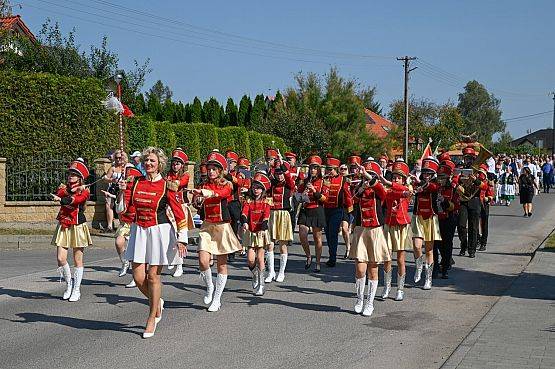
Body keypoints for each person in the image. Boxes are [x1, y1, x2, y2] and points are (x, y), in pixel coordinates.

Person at [116, 147, 188, 338]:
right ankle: (157, 302)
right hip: (139, 231)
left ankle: (151, 317)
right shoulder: (135, 182)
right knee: (139, 277)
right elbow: (125, 211)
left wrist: (182, 238)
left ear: (159, 165)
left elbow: (179, 213)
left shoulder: (167, 185)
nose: (148, 163)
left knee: (152, 277)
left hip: (160, 232)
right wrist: (122, 193)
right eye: (147, 160)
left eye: (152, 161)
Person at [191, 150, 242, 312]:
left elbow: (222, 195)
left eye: (214, 168)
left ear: (220, 170)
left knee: (221, 264)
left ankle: (217, 298)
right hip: (207, 225)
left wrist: (207, 193)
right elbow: (196, 203)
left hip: (222, 226)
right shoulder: (203, 184)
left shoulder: (226, 184)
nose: (211, 171)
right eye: (209, 168)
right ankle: (209, 287)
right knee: (203, 260)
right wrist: (197, 200)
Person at [349, 159, 390, 317]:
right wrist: (360, 188)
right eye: (365, 176)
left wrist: (368, 177)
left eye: (370, 176)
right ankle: (359, 299)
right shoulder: (358, 189)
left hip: (375, 231)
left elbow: (381, 190)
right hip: (361, 230)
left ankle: (370, 303)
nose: (367, 179)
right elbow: (352, 201)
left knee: (373, 270)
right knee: (360, 268)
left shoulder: (379, 189)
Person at [51, 159, 92, 302]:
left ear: (80, 177)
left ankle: (77, 289)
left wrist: (70, 195)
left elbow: (76, 200)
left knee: (77, 260)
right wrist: (69, 191)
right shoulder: (64, 188)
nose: (70, 177)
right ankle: (69, 285)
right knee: (60, 258)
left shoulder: (85, 191)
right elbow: (62, 192)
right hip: (64, 224)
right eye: (69, 174)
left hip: (78, 225)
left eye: (74, 175)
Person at [103, 163, 142, 282]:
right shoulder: (123, 191)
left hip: (137, 224)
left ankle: (135, 279)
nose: (126, 180)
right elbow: (120, 209)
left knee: (135, 252)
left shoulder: (138, 192)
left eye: (128, 178)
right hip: (126, 223)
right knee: (119, 242)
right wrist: (120, 193)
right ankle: (125, 262)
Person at [380, 159, 412, 301]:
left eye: (398, 178)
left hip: (401, 226)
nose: (395, 179)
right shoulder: (388, 191)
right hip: (388, 224)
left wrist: (390, 184)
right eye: (393, 177)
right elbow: (382, 193)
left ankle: (400, 289)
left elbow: (405, 192)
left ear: (404, 179)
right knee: (387, 258)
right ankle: (387, 287)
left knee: (400, 259)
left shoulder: (407, 189)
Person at [411, 156, 441, 289]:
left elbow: (431, 188)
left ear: (433, 174)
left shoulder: (436, 183)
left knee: (429, 250)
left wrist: (419, 183)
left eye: (429, 173)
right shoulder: (418, 183)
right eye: (425, 172)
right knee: (417, 246)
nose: (426, 175)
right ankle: (419, 266)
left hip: (431, 218)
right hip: (418, 217)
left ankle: (428, 279)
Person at [165, 148, 196, 278]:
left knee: (180, 237)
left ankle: (180, 265)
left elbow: (177, 185)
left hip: (181, 208)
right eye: (173, 163)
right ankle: (173, 260)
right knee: (169, 236)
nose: (175, 165)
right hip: (168, 208)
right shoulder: (168, 174)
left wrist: (168, 183)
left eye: (178, 163)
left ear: (182, 165)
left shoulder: (186, 174)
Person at [296, 155, 329, 272]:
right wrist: (302, 195)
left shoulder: (323, 181)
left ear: (319, 170)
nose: (313, 170)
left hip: (317, 210)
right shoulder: (304, 181)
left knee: (317, 238)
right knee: (302, 234)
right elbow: (297, 197)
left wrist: (314, 191)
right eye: (311, 168)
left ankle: (318, 262)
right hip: (305, 210)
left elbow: (325, 199)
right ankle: (309, 256)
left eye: (315, 168)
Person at [242, 172, 272, 296]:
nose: (256, 190)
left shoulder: (266, 201)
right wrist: (244, 222)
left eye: (259, 188)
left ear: (263, 189)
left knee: (260, 258)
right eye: (254, 187)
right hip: (251, 232)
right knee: (250, 260)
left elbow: (266, 215)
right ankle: (254, 274)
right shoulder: (248, 201)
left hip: (261, 232)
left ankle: (261, 284)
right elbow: (244, 212)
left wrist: (264, 226)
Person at [267, 158, 295, 282]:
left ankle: (281, 272)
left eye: (281, 173)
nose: (279, 175)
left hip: (283, 214)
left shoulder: (288, 184)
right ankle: (271, 271)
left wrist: (283, 164)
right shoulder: (272, 183)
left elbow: (289, 179)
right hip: (272, 214)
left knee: (282, 244)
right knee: (270, 243)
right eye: (277, 173)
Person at [323, 156, 353, 267]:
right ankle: (331, 254)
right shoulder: (324, 179)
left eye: (331, 169)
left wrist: (350, 212)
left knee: (333, 233)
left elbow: (348, 196)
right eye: (328, 169)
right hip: (325, 210)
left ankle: (332, 258)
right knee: (327, 233)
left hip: (337, 210)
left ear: (336, 169)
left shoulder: (343, 180)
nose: (329, 171)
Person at [457, 146, 486, 258]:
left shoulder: (479, 170)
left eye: (469, 158)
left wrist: (475, 180)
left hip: (475, 200)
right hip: (463, 200)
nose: (467, 160)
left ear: (474, 158)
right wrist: (457, 185)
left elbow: (484, 186)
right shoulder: (460, 169)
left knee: (473, 227)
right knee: (461, 225)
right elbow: (455, 180)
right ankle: (463, 245)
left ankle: (471, 249)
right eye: (466, 158)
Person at [435, 160, 459, 279]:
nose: (440, 180)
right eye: (439, 177)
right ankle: (436, 267)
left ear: (448, 178)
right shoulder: (435, 188)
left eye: (442, 178)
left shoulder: (453, 189)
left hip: (449, 219)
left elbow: (455, 206)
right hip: (436, 219)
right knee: (437, 243)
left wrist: (444, 201)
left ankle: (445, 268)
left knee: (447, 243)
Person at [224, 150, 249, 261]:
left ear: (235, 164)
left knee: (234, 227)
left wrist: (228, 176)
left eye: (231, 162)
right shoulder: (220, 172)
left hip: (234, 203)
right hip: (224, 202)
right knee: (225, 226)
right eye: (227, 161)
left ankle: (232, 252)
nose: (229, 163)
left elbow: (239, 183)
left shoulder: (238, 173)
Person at [103, 150, 127, 232]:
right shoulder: (113, 168)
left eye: (120, 158)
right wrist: (111, 180)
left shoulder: (126, 167)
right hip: (113, 188)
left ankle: (122, 224)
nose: (118, 159)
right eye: (116, 158)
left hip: (122, 189)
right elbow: (105, 178)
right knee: (109, 205)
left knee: (121, 207)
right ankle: (110, 226)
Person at [478, 165, 495, 252]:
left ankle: (483, 243)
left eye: (481, 171)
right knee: (474, 224)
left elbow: (491, 195)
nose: (479, 173)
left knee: (484, 224)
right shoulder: (475, 180)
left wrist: (487, 198)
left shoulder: (488, 181)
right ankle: (477, 239)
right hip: (475, 203)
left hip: (484, 204)